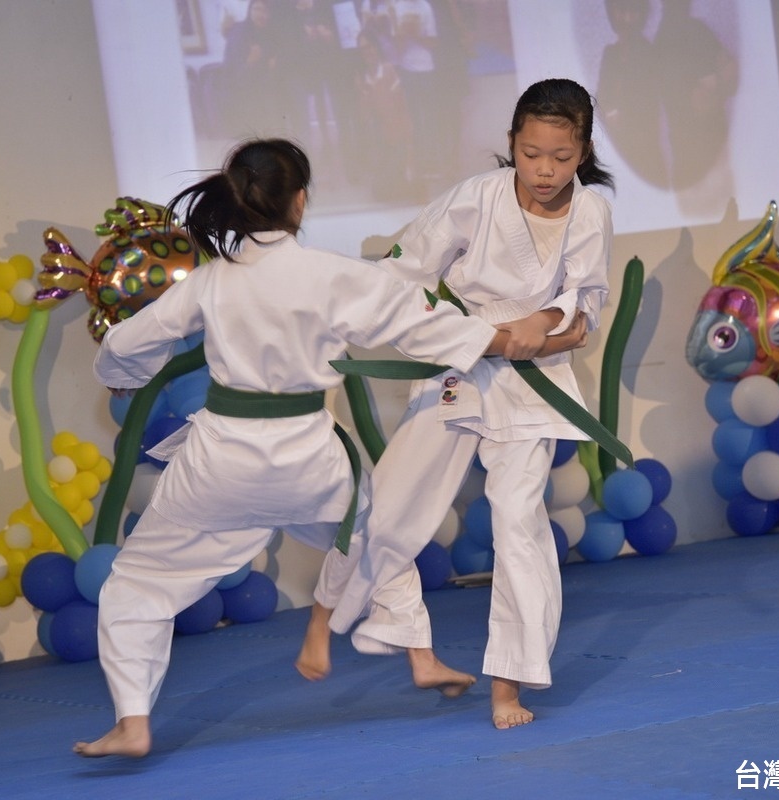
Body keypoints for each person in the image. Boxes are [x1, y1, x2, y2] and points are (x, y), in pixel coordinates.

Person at [74, 138, 543, 758]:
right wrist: (507, 337)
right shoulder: (332, 275)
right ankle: (421, 655)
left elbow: (134, 341)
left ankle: (133, 721)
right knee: (378, 532)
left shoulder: (212, 283)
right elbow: (420, 325)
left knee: (137, 584)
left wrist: (122, 374)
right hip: (310, 460)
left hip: (221, 464)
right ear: (300, 201)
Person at [299, 78, 614, 730]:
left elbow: (583, 308)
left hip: (537, 377)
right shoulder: (478, 197)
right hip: (464, 362)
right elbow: (405, 267)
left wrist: (547, 319)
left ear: (582, 150)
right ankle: (326, 615)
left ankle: (509, 684)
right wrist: (337, 311)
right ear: (511, 144)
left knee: (518, 524)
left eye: (560, 155)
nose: (545, 170)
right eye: (531, 154)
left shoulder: (592, 212)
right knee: (391, 499)